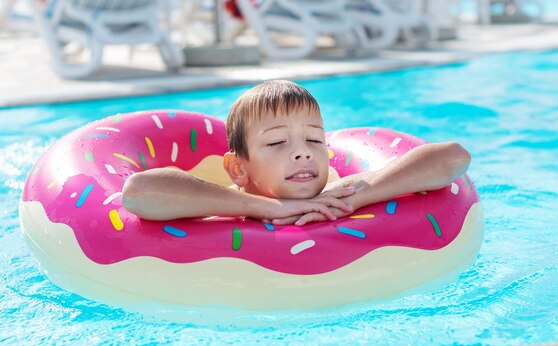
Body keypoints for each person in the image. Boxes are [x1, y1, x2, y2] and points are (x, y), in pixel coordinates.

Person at [122, 80, 471, 226]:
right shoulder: (223, 204)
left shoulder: (340, 193)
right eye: (277, 143)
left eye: (314, 141)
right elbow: (139, 192)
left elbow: (454, 158)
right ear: (238, 169)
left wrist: (362, 197)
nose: (303, 153)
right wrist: (267, 207)